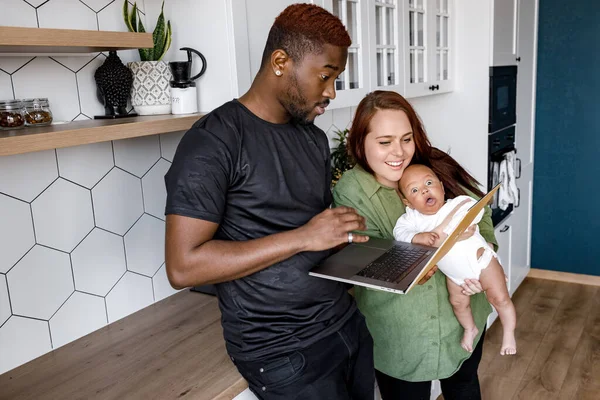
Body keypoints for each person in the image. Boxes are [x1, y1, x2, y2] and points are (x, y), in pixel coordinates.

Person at [164, 4, 374, 399]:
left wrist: (349, 241)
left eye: (337, 78)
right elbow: (183, 266)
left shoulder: (310, 136)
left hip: (344, 323)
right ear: (281, 61)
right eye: (326, 76)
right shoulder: (213, 142)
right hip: (283, 352)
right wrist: (304, 237)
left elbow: (310, 231)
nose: (331, 91)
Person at [333, 90, 498, 400]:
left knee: (464, 387)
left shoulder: (432, 166)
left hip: (463, 320)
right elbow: (365, 256)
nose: (399, 153)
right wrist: (413, 261)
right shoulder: (351, 191)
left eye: (406, 139)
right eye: (384, 142)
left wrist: (482, 251)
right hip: (402, 336)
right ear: (360, 143)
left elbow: (481, 211)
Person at [394, 164, 517, 355]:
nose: (425, 189)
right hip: (454, 275)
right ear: (408, 202)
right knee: (458, 303)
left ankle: (508, 333)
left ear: (442, 188)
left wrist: (449, 230)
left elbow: (474, 209)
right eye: (415, 190)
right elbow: (399, 233)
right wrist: (417, 237)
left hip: (481, 262)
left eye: (429, 183)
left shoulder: (457, 204)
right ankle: (470, 328)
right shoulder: (413, 219)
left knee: (499, 298)